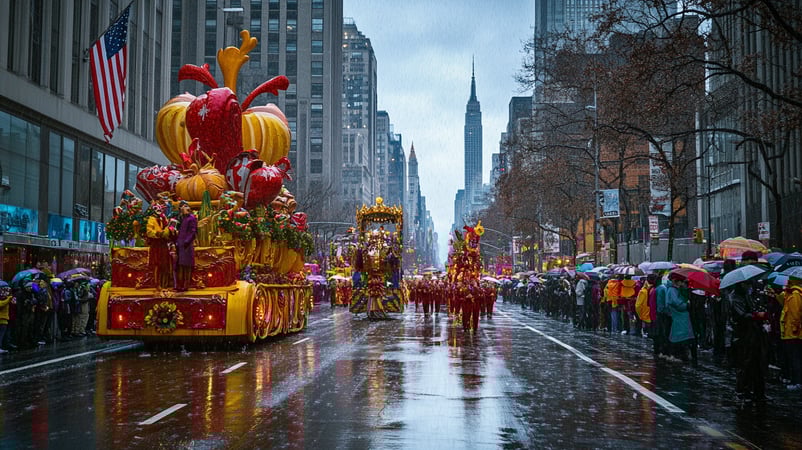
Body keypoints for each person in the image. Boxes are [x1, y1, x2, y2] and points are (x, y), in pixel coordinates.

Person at [729, 280, 769, 401]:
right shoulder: (735, 297)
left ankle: (758, 392)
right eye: (747, 284)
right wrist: (757, 316)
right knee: (746, 363)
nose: (749, 286)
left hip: (753, 333)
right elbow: (741, 315)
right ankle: (742, 390)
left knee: (757, 363)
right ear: (741, 284)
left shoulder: (746, 295)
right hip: (744, 334)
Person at [666, 274, 697, 365]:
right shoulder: (672, 290)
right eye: (681, 281)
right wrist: (686, 304)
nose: (682, 283)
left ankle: (679, 355)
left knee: (680, 336)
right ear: (676, 281)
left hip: (679, 317)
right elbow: (677, 303)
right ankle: (678, 355)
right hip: (680, 317)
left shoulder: (674, 290)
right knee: (680, 337)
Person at [146, 201, 176, 290]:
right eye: (156, 208)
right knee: (157, 264)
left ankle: (164, 284)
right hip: (156, 244)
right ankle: (157, 283)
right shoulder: (151, 219)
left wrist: (171, 230)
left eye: (160, 208)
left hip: (163, 244)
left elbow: (168, 228)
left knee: (164, 264)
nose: (159, 210)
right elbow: (149, 232)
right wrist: (159, 234)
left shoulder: (164, 218)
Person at [781, 278, 802, 390]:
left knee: (795, 357)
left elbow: (795, 315)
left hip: (793, 332)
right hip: (792, 331)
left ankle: (797, 381)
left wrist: (794, 329)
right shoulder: (792, 294)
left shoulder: (795, 296)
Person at [174, 200, 197, 292]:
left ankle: (186, 284)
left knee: (187, 265)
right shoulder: (182, 218)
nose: (183, 208)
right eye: (182, 207)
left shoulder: (191, 218)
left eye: (185, 206)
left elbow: (193, 232)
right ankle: (180, 284)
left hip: (187, 245)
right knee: (180, 265)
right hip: (180, 244)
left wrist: (187, 241)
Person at [0, 281, 13, 353]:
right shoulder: (6, 299)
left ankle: (2, 346)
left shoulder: (6, 297)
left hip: (5, 318)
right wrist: (8, 300)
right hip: (2, 318)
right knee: (1, 334)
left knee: (3, 334)